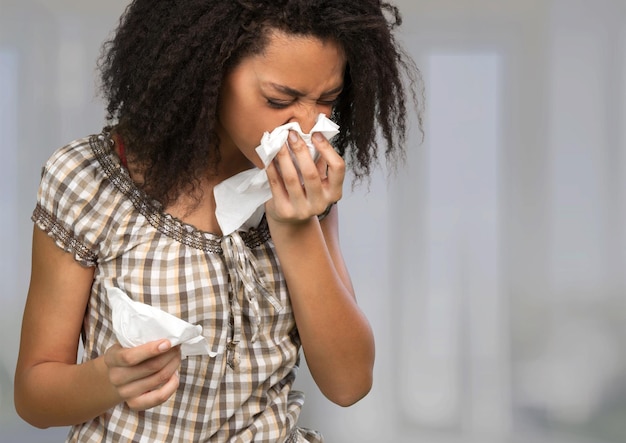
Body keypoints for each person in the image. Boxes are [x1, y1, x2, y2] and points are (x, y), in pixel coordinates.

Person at [14, 0, 422, 441]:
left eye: (327, 100)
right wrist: (108, 379)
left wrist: (294, 227)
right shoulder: (88, 179)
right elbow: (34, 395)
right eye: (279, 99)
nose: (307, 125)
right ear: (208, 72)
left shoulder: (305, 189)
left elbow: (349, 383)